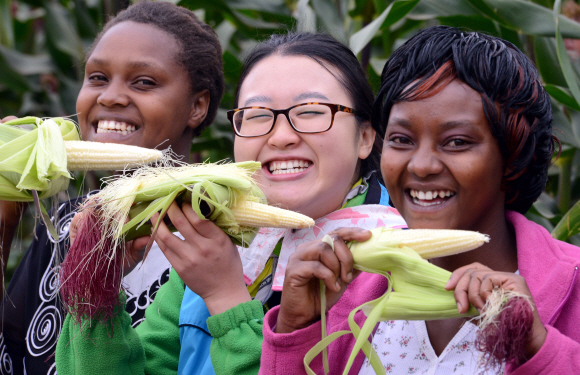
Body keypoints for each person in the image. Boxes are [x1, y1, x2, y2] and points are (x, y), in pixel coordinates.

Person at [54, 32, 406, 375]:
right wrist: (97, 285)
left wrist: (225, 297)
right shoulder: (212, 252)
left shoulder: (394, 266)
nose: (281, 137)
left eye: (312, 111)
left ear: (364, 137)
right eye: (256, 115)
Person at [256, 25, 580, 375]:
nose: (421, 166)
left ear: (513, 155)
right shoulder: (348, 291)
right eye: (401, 139)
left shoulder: (572, 287)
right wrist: (297, 328)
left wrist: (538, 346)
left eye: (457, 142)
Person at [0, 2, 224, 374]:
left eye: (144, 82)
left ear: (197, 106)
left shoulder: (221, 243)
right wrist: (5, 218)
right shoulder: (64, 222)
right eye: (98, 78)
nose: (109, 97)